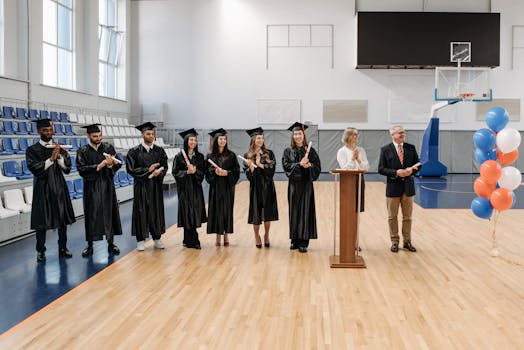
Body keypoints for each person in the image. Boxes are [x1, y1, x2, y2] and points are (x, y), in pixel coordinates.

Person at [25, 118, 74, 262]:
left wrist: (58, 156)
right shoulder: (32, 150)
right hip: (42, 188)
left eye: (50, 130)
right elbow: (35, 169)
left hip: (59, 187)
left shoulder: (59, 147)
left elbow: (67, 169)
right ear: (39, 131)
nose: (48, 132)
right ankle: (41, 251)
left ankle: (63, 248)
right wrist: (51, 159)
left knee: (62, 220)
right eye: (45, 130)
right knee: (41, 223)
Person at [76, 123, 122, 257]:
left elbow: (118, 163)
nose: (98, 138)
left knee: (109, 213)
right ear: (88, 136)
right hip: (92, 188)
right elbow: (82, 170)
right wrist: (100, 165)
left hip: (107, 185)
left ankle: (111, 243)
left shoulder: (108, 147)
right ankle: (90, 245)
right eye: (95, 136)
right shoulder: (83, 151)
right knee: (92, 215)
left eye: (99, 135)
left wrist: (110, 165)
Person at [126, 121, 168, 251]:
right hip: (141, 187)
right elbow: (131, 169)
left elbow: (164, 166)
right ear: (142, 135)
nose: (151, 136)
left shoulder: (159, 151)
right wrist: (148, 170)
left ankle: (157, 238)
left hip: (155, 186)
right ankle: (140, 240)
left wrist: (158, 172)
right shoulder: (134, 152)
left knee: (155, 211)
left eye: (152, 133)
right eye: (148, 133)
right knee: (141, 212)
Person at [378, 125, 420, 253]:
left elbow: (418, 165)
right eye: (400, 133)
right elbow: (381, 169)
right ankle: (394, 241)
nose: (403, 135)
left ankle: (407, 241)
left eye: (403, 133)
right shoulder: (385, 149)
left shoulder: (411, 148)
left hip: (408, 188)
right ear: (393, 135)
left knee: (407, 217)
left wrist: (411, 171)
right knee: (392, 216)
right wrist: (396, 172)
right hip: (393, 188)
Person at [282, 122, 321, 253]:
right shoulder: (288, 151)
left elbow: (317, 167)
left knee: (305, 211)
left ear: (303, 135)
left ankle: (304, 241)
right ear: (292, 136)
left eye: (299, 133)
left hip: (306, 186)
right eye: (295, 134)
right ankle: (294, 239)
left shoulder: (310, 151)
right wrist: (299, 164)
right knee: (294, 212)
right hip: (294, 186)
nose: (297, 136)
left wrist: (308, 165)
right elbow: (287, 167)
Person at [243, 127, 278, 248]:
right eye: (258, 138)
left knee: (267, 213)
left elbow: (272, 170)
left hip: (268, 187)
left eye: (262, 138)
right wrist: (251, 167)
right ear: (253, 139)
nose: (260, 140)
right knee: (256, 214)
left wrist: (259, 164)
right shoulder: (247, 156)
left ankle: (266, 235)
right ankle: (256, 236)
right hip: (256, 188)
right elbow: (248, 175)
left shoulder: (269, 153)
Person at [172, 128, 207, 249]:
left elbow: (203, 172)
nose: (193, 142)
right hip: (184, 190)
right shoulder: (179, 156)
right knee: (187, 213)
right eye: (191, 139)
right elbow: (175, 173)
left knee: (194, 213)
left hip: (196, 189)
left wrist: (196, 171)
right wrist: (187, 172)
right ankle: (194, 239)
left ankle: (187, 240)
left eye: (195, 140)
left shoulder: (200, 157)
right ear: (186, 141)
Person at [205, 128, 240, 247]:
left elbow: (236, 171)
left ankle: (226, 235)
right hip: (215, 188)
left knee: (226, 210)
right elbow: (207, 173)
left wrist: (227, 173)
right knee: (216, 211)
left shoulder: (231, 155)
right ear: (216, 140)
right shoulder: (210, 156)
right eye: (220, 139)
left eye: (224, 139)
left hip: (227, 187)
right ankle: (218, 236)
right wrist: (214, 173)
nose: (223, 141)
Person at [337, 127, 368, 212]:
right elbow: (344, 168)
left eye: (356, 134)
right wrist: (353, 158)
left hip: (360, 179)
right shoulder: (342, 151)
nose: (356, 136)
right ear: (348, 136)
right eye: (354, 134)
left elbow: (366, 167)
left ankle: (356, 225)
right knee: (348, 207)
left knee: (358, 207)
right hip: (348, 180)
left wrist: (358, 159)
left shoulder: (361, 150)